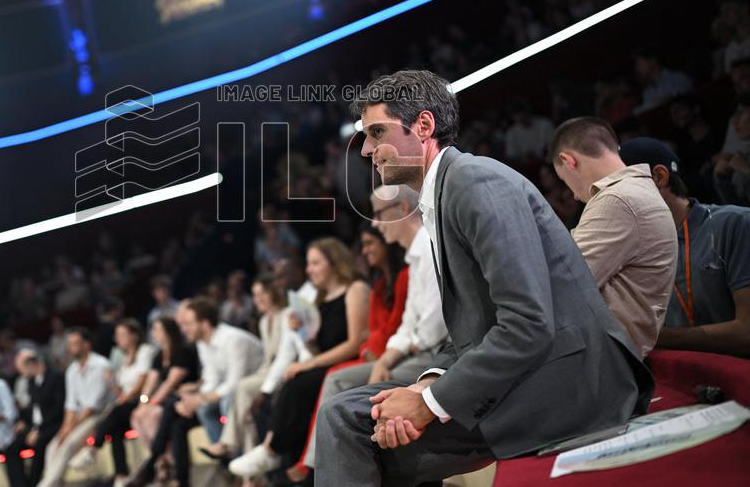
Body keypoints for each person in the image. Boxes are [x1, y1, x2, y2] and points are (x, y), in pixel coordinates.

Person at [316, 69, 652, 486]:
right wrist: (425, 388)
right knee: (360, 415)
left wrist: (429, 404)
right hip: (537, 374)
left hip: (572, 386)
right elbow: (475, 333)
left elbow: (528, 325)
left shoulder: (476, 183)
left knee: (349, 422)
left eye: (377, 132)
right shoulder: (446, 191)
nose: (367, 149)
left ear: (423, 126)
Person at [300, 191, 444, 475]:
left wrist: (389, 355)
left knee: (337, 396)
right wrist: (385, 359)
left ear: (403, 208)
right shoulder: (414, 257)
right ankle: (319, 469)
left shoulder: (428, 249)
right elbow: (408, 324)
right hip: (413, 352)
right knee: (335, 384)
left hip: (436, 357)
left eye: (378, 214)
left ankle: (318, 470)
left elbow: (431, 328)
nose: (375, 224)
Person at [228, 238, 370, 479]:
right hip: (327, 364)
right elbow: (320, 348)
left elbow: (355, 343)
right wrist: (303, 336)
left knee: (299, 385)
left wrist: (309, 363)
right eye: (308, 263)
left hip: (352, 362)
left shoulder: (356, 289)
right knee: (292, 386)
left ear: (334, 262)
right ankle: (281, 461)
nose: (309, 270)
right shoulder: (320, 300)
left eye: (315, 263)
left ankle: (271, 451)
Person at [550, 117, 677, 357]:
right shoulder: (636, 191)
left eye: (565, 181)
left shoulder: (618, 199)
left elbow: (560, 284)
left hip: (606, 361)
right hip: (614, 355)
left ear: (569, 161)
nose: (574, 196)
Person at [620, 137, 750, 358]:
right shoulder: (630, 253)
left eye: (615, 187)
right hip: (687, 383)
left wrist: (650, 337)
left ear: (658, 177)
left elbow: (746, 333)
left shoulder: (735, 224)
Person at [128, 298, 264, 487]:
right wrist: (145, 402)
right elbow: (210, 379)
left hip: (256, 387)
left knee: (186, 408)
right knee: (185, 411)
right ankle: (227, 463)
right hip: (223, 391)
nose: (184, 328)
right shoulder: (162, 355)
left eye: (188, 323)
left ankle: (240, 465)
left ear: (205, 323)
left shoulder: (228, 340)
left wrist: (196, 398)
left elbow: (234, 382)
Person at [199, 273, 289, 462]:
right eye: (255, 295)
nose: (258, 300)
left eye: (261, 294)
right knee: (245, 408)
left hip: (283, 370)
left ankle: (228, 445)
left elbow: (284, 357)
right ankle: (250, 474)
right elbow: (268, 359)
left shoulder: (286, 315)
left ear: (273, 293)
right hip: (268, 370)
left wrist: (265, 388)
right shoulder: (264, 321)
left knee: (242, 388)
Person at [73, 320, 156, 485]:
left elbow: (141, 382)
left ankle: (92, 448)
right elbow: (120, 392)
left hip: (143, 399)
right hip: (125, 405)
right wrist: (111, 382)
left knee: (116, 412)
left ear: (135, 335)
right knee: (115, 429)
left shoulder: (146, 351)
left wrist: (124, 397)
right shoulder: (122, 358)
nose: (118, 339)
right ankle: (121, 474)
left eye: (122, 335)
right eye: (117, 335)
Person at [37, 327, 113, 487]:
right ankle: (52, 483)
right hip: (80, 416)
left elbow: (93, 405)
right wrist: (65, 428)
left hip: (101, 414)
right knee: (54, 444)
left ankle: (47, 484)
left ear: (87, 344)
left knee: (69, 444)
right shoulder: (71, 370)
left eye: (75, 343)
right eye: (70, 344)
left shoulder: (101, 365)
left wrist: (71, 428)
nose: (71, 348)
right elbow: (70, 404)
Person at [130, 316, 200, 449]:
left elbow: (170, 383)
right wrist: (143, 402)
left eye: (157, 330)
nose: (154, 334)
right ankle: (158, 456)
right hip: (163, 398)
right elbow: (150, 383)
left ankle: (165, 454)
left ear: (168, 331)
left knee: (153, 414)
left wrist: (152, 403)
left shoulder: (182, 352)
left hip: (178, 396)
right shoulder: (159, 355)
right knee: (137, 415)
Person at [5, 350, 65, 487]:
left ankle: (34, 483)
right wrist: (24, 422)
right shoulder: (32, 381)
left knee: (40, 443)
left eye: (23, 369)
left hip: (52, 425)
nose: (22, 373)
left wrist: (37, 429)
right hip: (35, 426)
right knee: (11, 448)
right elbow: (33, 407)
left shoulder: (55, 377)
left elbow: (57, 409)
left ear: (32, 364)